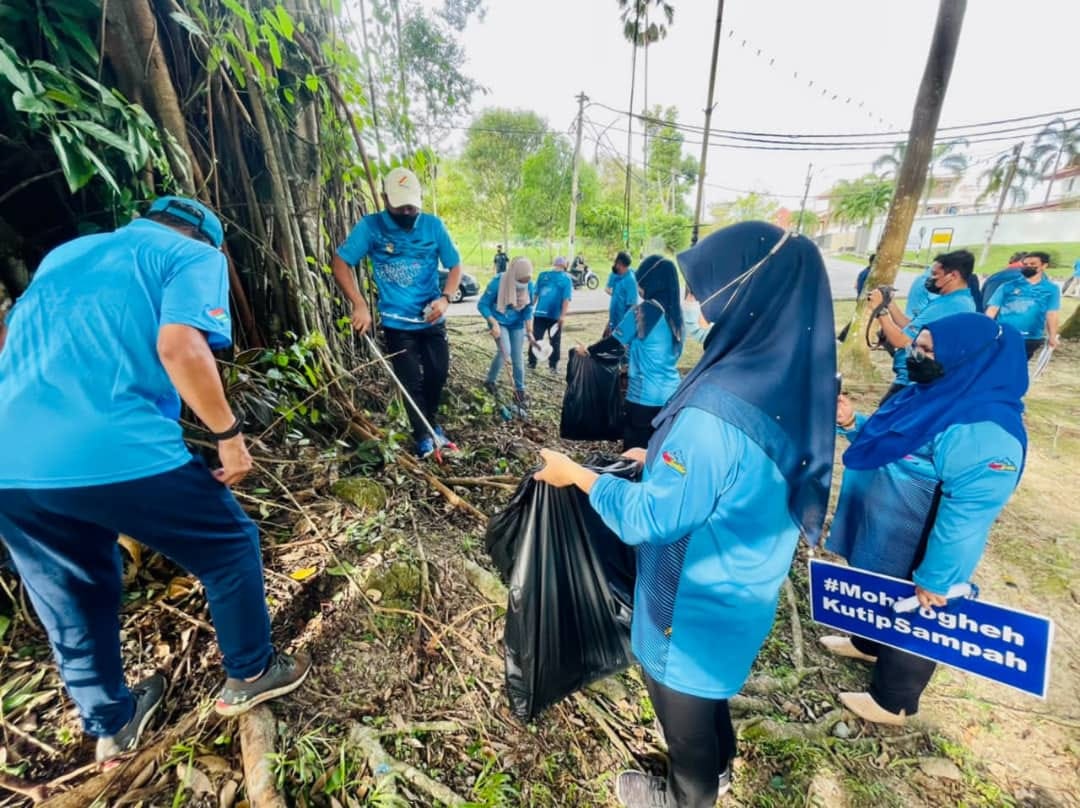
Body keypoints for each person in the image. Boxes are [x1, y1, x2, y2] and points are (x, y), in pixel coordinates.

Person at [536, 222, 837, 808]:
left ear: (742, 293)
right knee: (710, 702)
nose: (693, 303)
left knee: (687, 721)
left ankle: (687, 795)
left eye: (702, 290)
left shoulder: (714, 415)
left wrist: (579, 476)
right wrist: (660, 454)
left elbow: (650, 520)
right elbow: (740, 467)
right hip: (747, 590)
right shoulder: (792, 382)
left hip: (691, 606)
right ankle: (719, 770)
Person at [0, 197, 309, 766]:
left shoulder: (66, 255)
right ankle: (252, 671)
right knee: (228, 546)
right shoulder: (191, 255)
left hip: (12, 461)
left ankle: (112, 726)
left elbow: (9, 338)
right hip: (116, 445)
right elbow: (179, 346)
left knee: (73, 594)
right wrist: (229, 434)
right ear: (207, 239)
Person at [823, 313, 1027, 725]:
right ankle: (868, 643)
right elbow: (899, 441)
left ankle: (893, 701)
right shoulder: (931, 393)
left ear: (968, 358)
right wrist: (851, 423)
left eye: (930, 351)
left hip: (919, 539)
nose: (916, 354)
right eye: (919, 345)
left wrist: (938, 578)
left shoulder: (986, 431)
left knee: (918, 612)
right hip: (886, 528)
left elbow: (967, 519)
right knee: (879, 586)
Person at [332, 167, 463, 458]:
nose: (406, 210)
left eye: (412, 205)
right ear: (384, 198)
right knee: (409, 382)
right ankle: (425, 436)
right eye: (400, 205)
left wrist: (445, 299)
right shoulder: (371, 227)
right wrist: (360, 303)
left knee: (438, 373)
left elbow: (455, 265)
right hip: (397, 323)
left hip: (431, 316)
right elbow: (340, 263)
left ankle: (430, 424)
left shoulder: (434, 226)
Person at [577, 255, 683, 450]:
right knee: (657, 456)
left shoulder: (645, 311)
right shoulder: (675, 314)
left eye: (640, 281)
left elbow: (614, 343)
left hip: (644, 399)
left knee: (634, 458)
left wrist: (588, 351)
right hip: (673, 398)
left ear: (651, 281)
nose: (639, 288)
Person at [869, 249, 976, 402]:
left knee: (882, 421)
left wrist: (880, 311)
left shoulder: (951, 305)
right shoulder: (955, 300)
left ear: (953, 275)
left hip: (913, 381)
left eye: (935, 275)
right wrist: (889, 304)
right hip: (918, 378)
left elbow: (901, 341)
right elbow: (913, 327)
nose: (930, 279)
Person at [478, 257, 537, 415]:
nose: (522, 285)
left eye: (526, 281)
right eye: (520, 281)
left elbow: (528, 309)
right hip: (499, 321)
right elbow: (482, 304)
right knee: (505, 351)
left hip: (516, 324)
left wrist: (530, 332)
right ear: (514, 275)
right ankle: (490, 382)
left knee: (518, 358)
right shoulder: (498, 282)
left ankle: (519, 392)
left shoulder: (529, 285)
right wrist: (493, 323)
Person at [985, 251, 1061, 359]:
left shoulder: (1051, 289)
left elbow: (1052, 313)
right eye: (1025, 264)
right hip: (1005, 334)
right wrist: (986, 329)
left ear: (1044, 266)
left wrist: (1052, 336)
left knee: (1019, 366)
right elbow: (992, 309)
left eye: (1033, 264)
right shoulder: (1007, 286)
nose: (1028, 267)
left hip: (1031, 337)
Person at [529, 256, 573, 373]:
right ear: (565, 266)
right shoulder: (566, 279)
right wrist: (563, 316)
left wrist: (529, 307)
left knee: (536, 337)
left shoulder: (542, 275)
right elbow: (566, 299)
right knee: (555, 341)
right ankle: (553, 366)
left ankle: (531, 363)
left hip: (539, 313)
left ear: (554, 264)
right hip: (555, 316)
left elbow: (535, 295)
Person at [606, 251, 639, 338]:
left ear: (620, 264)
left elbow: (632, 307)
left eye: (616, 263)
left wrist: (623, 330)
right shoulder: (618, 276)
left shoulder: (630, 281)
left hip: (622, 328)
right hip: (614, 322)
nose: (615, 266)